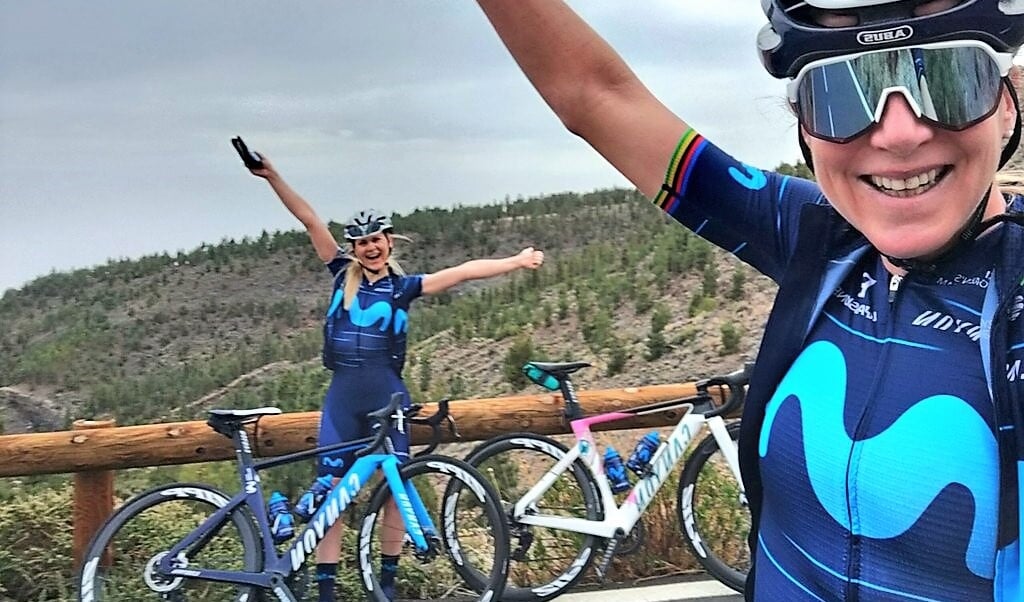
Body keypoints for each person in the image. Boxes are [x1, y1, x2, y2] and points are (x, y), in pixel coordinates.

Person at [471, 0, 1024, 599]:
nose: (898, 133)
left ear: (1007, 102)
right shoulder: (815, 237)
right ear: (804, 127)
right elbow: (594, 95)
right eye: (840, 91)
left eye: (948, 78)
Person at [244, 152, 544, 602]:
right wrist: (273, 177)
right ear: (353, 248)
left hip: (389, 398)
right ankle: (325, 591)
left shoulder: (401, 288)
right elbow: (309, 221)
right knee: (335, 498)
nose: (370, 247)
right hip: (342, 398)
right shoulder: (337, 275)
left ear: (389, 242)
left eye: (376, 239)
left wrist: (516, 261)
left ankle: (385, 583)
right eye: (361, 241)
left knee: (394, 491)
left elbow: (462, 273)